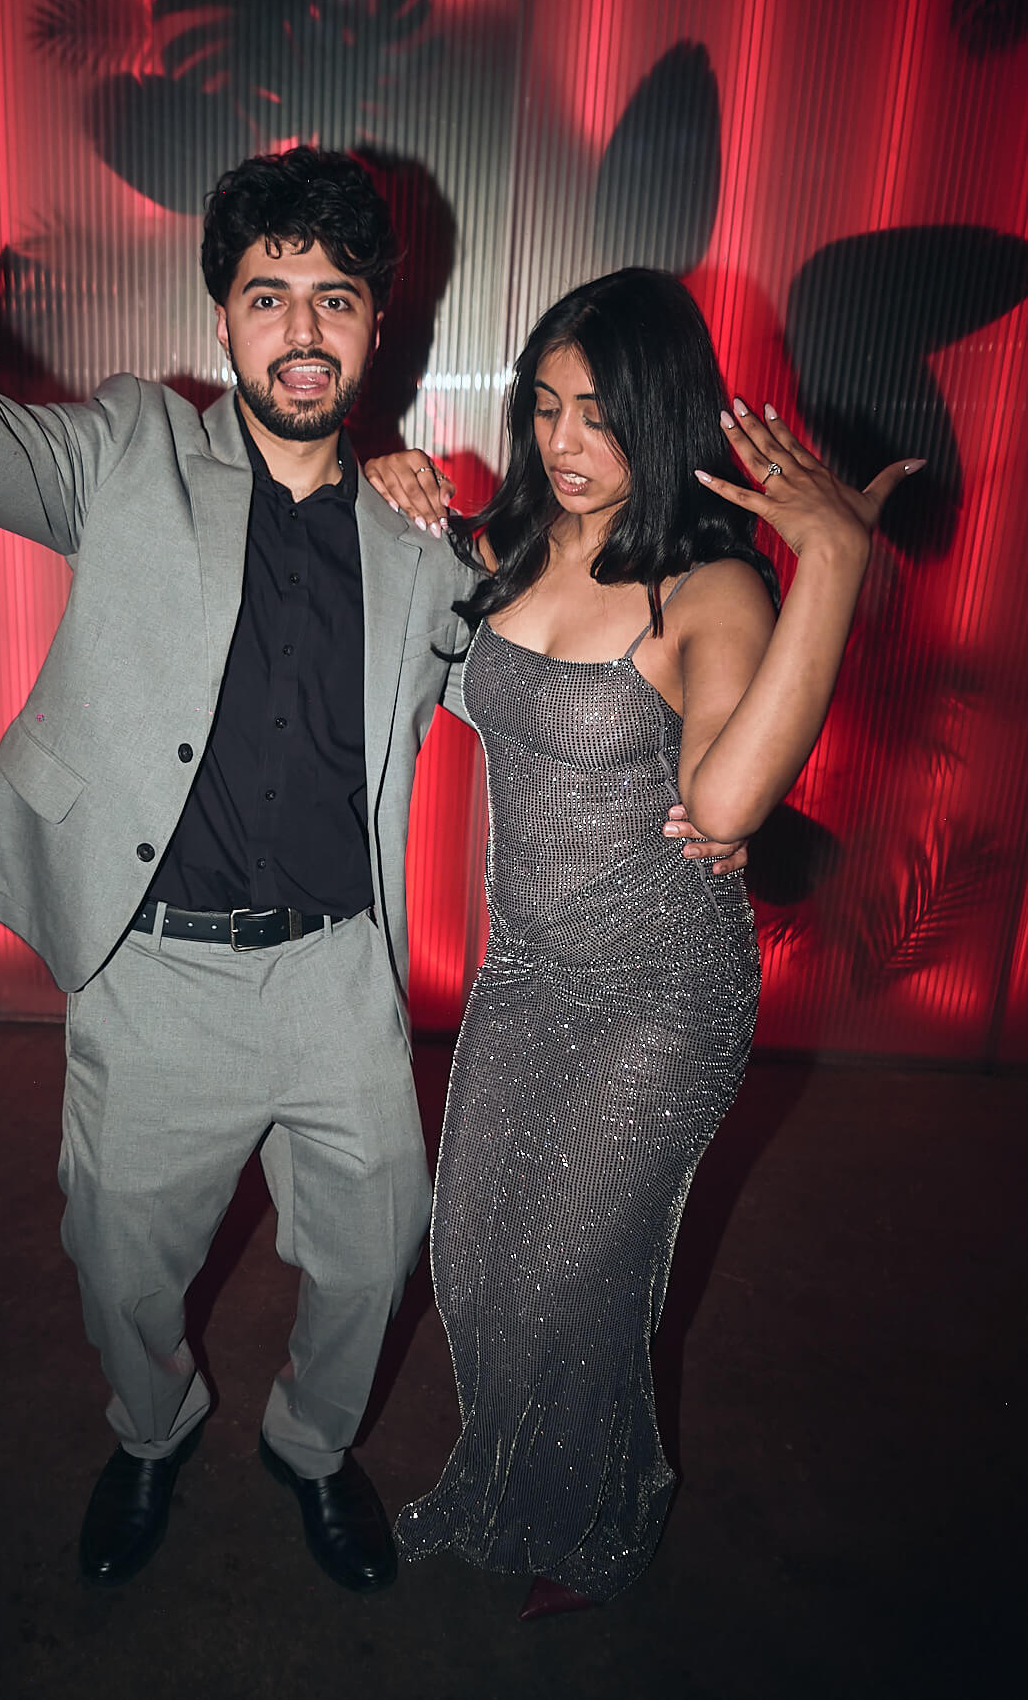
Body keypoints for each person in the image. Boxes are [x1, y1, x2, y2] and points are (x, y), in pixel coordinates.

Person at [0, 106, 741, 1596]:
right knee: (121, 1261)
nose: (302, 330)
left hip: (336, 978)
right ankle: (149, 1431)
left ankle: (310, 1445)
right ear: (222, 318)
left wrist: (701, 808)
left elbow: (574, 673)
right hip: (156, 970)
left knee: (375, 1252)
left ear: (374, 330)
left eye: (334, 299)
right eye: (269, 295)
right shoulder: (127, 452)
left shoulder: (427, 542)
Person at [365, 269, 920, 1617]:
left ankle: (596, 1518)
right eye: (546, 407)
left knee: (571, 1284)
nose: (565, 442)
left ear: (661, 417)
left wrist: (834, 563)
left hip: (659, 996)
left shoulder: (710, 587)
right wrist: (385, 481)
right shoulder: (507, 546)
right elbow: (401, 613)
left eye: (601, 417)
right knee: (473, 1269)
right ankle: (515, 1477)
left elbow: (724, 808)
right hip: (524, 973)